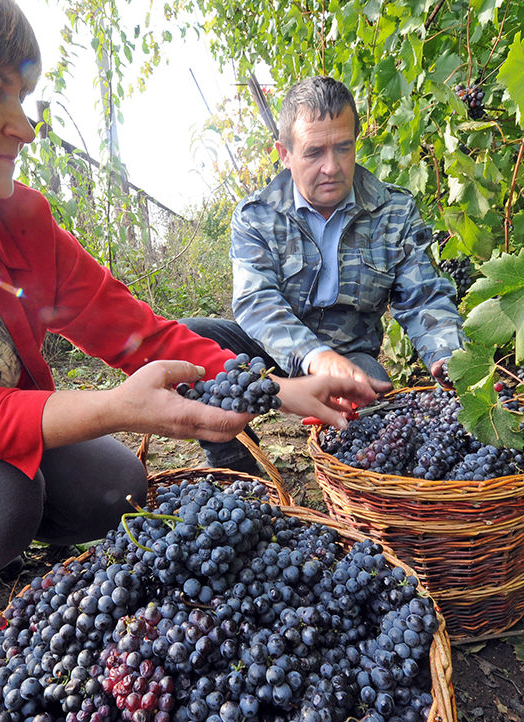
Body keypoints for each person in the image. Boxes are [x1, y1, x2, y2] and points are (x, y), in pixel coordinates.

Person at [0, 2, 383, 701]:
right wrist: (111, 409)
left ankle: (3, 548)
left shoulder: (19, 222)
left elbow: (137, 332)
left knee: (116, 487)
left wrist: (276, 389)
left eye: (26, 96)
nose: (26, 125)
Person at [182, 76, 464, 471]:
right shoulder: (256, 216)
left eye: (343, 148)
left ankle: (354, 482)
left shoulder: (394, 211)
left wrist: (446, 354)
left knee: (375, 422)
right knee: (189, 339)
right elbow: (256, 301)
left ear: (355, 142)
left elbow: (423, 298)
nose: (331, 167)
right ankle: (237, 468)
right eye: (313, 152)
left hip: (351, 360)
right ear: (284, 152)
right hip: (269, 351)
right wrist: (315, 356)